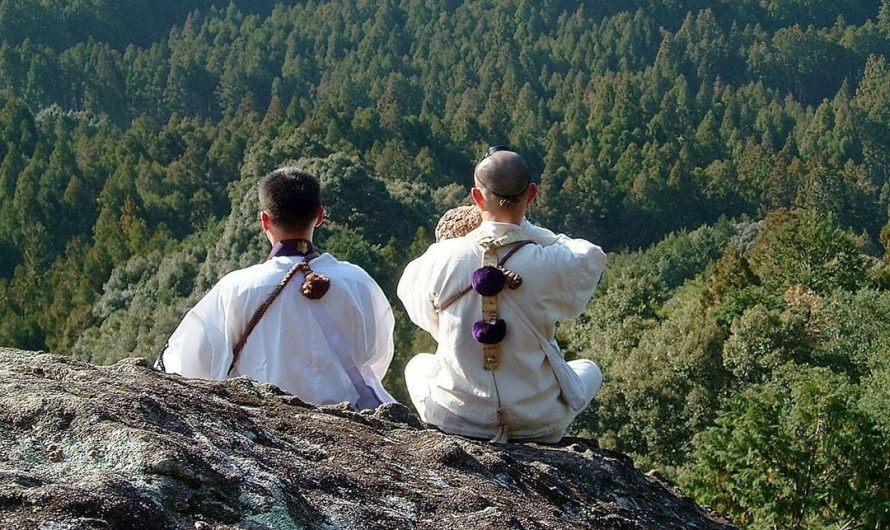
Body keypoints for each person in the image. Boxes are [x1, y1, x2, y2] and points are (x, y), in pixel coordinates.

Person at [398, 146, 607, 443]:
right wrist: (525, 230)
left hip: (459, 418)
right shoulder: (552, 262)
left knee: (417, 364)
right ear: (532, 194)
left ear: (476, 197)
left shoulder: (441, 257)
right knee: (590, 370)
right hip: (538, 422)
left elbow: (422, 314)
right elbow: (591, 255)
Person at [159, 167, 395, 409]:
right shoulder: (357, 281)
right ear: (320, 215)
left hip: (266, 424)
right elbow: (377, 357)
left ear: (264, 220)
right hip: (351, 422)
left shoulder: (237, 288)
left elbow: (190, 364)